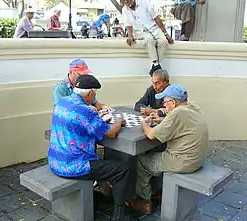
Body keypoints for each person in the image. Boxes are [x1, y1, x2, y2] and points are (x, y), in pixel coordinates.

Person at [48, 74, 137, 221]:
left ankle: (106, 196)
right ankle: (119, 215)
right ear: (90, 93)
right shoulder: (86, 111)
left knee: (105, 163)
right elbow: (111, 133)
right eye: (94, 93)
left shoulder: (63, 102)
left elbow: (80, 123)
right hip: (74, 166)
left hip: (55, 160)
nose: (94, 96)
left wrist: (97, 116)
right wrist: (119, 121)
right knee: (122, 170)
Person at [129, 84, 209, 214]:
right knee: (156, 153)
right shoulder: (192, 107)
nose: (164, 104)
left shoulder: (177, 113)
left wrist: (144, 124)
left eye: (165, 101)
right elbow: (180, 124)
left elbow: (150, 134)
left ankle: (144, 201)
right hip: (197, 158)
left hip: (183, 162)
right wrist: (162, 121)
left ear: (172, 102)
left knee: (142, 161)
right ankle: (157, 191)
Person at [122, 0, 174, 76]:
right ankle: (157, 66)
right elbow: (128, 24)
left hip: (154, 28)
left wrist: (166, 34)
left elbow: (156, 18)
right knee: (149, 40)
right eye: (123, 0)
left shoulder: (145, 2)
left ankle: (155, 67)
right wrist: (130, 36)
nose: (126, 1)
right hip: (140, 32)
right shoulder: (125, 10)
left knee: (163, 41)